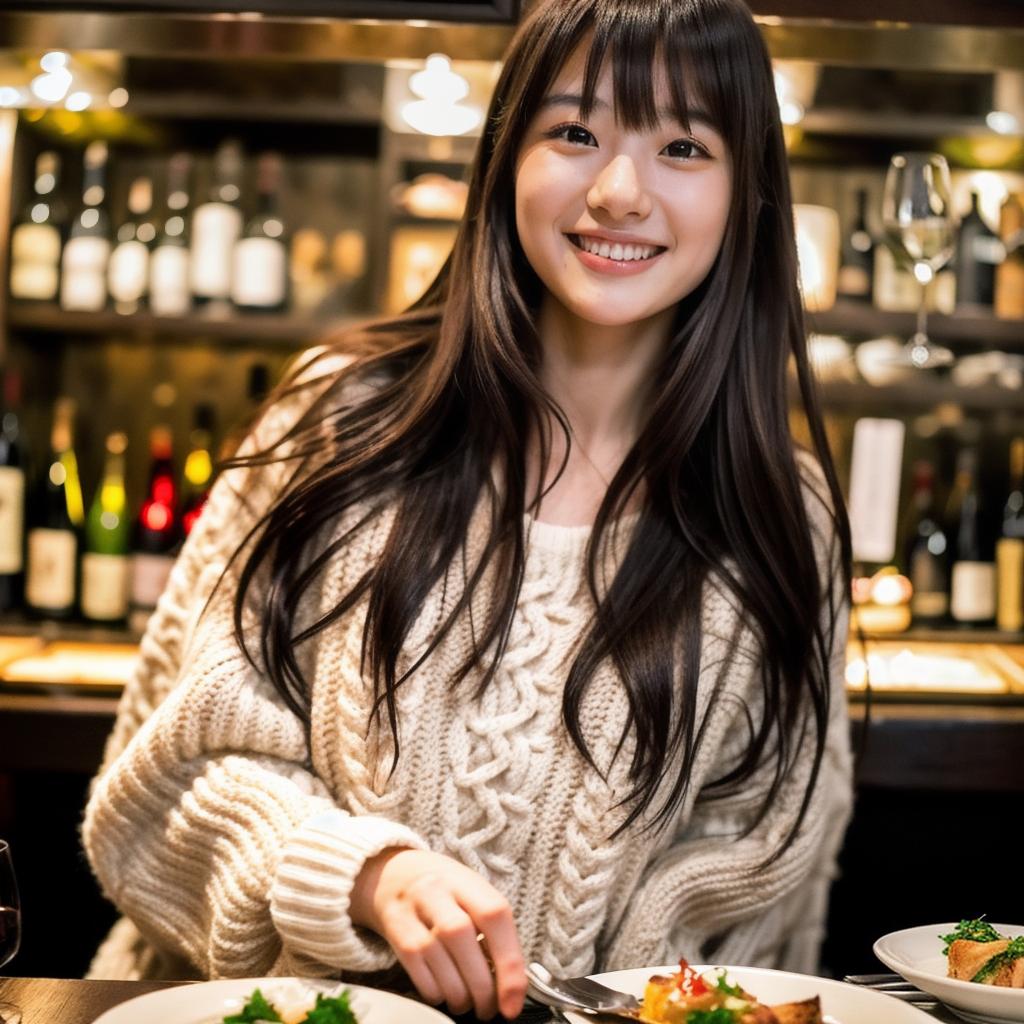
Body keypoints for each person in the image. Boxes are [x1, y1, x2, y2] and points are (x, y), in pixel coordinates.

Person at [82, 0, 854, 1019]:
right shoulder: (340, 415)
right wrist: (356, 876)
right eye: (575, 131)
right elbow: (158, 785)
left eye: (682, 144)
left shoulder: (781, 518)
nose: (620, 192)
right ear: (506, 159)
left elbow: (765, 886)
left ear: (749, 192)